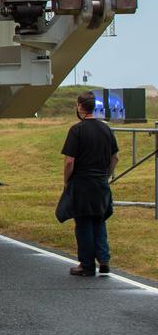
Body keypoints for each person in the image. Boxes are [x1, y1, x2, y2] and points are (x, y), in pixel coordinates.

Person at [58, 91, 119, 276]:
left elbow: (70, 161)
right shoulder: (106, 129)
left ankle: (86, 264)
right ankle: (104, 259)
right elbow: (115, 157)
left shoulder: (77, 130)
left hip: (82, 183)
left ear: (80, 107)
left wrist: (66, 181)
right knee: (99, 220)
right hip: (101, 182)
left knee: (83, 223)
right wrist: (106, 176)